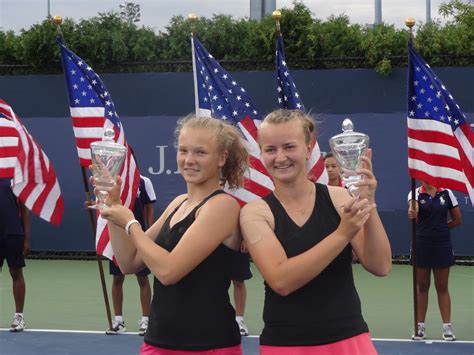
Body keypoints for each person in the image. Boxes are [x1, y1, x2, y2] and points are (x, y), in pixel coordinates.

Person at [240, 109, 392, 354]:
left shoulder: (341, 198)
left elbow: (381, 266)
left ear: (309, 147)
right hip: (286, 344)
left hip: (348, 339)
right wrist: (343, 234)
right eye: (271, 149)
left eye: (289, 147)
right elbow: (281, 281)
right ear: (261, 153)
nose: (280, 158)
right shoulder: (255, 213)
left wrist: (368, 204)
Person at [96, 115, 248, 354]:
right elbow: (129, 262)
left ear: (221, 158)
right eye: (183, 150)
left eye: (200, 152)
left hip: (209, 345)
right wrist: (113, 211)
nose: (189, 160)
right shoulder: (179, 203)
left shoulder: (223, 207)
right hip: (158, 341)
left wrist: (130, 224)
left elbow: (169, 271)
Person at [408, 180, 461, 341]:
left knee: (442, 286)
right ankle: (420, 327)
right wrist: (413, 212)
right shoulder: (415, 193)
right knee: (422, 286)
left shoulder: (447, 193)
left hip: (442, 245)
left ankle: (447, 327)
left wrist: (441, 229)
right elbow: (413, 211)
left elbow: (457, 220)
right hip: (421, 244)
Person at [106, 174, 156, 336]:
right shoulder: (110, 182)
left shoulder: (143, 181)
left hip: (138, 235)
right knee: (117, 278)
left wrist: (148, 231)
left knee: (142, 278)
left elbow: (149, 207)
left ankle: (146, 320)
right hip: (118, 238)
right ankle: (119, 321)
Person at [0, 178, 30, 332]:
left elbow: (24, 208)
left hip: (13, 232)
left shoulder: (14, 178)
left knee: (16, 272)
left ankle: (19, 317)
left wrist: (27, 238)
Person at [231, 240, 252, 336]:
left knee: (239, 281)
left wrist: (246, 238)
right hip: (216, 242)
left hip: (237, 243)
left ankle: (239, 320)